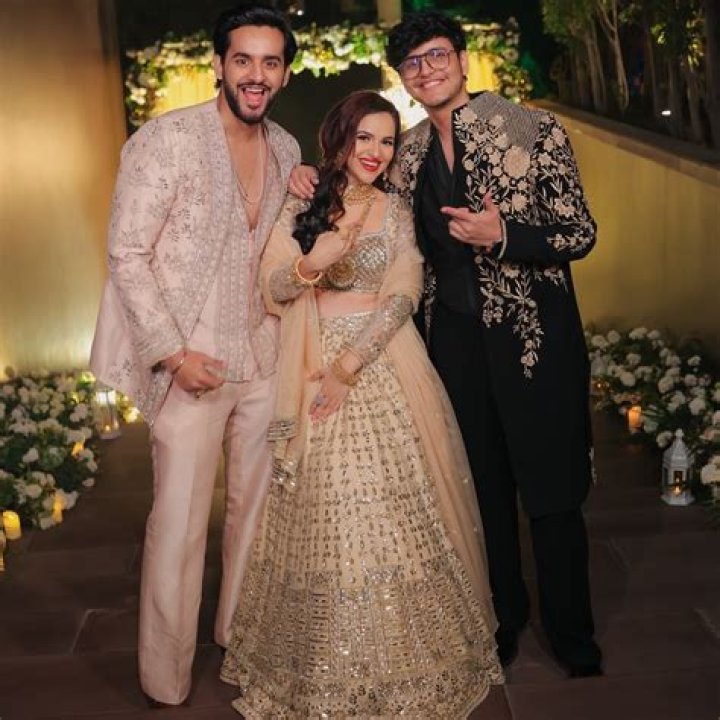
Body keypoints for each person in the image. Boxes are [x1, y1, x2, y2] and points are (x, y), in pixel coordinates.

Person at [220, 90, 502, 717]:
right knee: (326, 500)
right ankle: (325, 663)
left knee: (399, 504)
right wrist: (311, 265)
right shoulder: (303, 201)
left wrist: (349, 367)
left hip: (382, 361)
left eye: (387, 140)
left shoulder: (395, 209)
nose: (376, 151)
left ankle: (406, 661)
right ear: (340, 139)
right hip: (308, 362)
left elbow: (404, 291)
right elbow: (271, 288)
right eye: (365, 138)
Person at [89, 4, 300, 707]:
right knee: (178, 525)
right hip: (189, 367)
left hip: (263, 360)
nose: (256, 74)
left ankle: (240, 643)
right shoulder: (166, 139)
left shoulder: (287, 148)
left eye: (270, 62)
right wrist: (173, 355)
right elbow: (126, 252)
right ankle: (166, 676)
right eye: (243, 59)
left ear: (284, 73)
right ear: (218, 65)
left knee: (255, 518)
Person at [385, 11, 603, 677]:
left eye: (436, 55)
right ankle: (503, 619)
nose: (426, 69)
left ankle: (572, 634)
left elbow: (579, 232)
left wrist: (503, 235)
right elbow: (366, 210)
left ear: (462, 57)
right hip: (452, 346)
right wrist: (307, 180)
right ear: (404, 79)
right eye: (413, 63)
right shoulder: (408, 155)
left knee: (553, 492)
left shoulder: (533, 129)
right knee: (482, 491)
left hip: (533, 344)